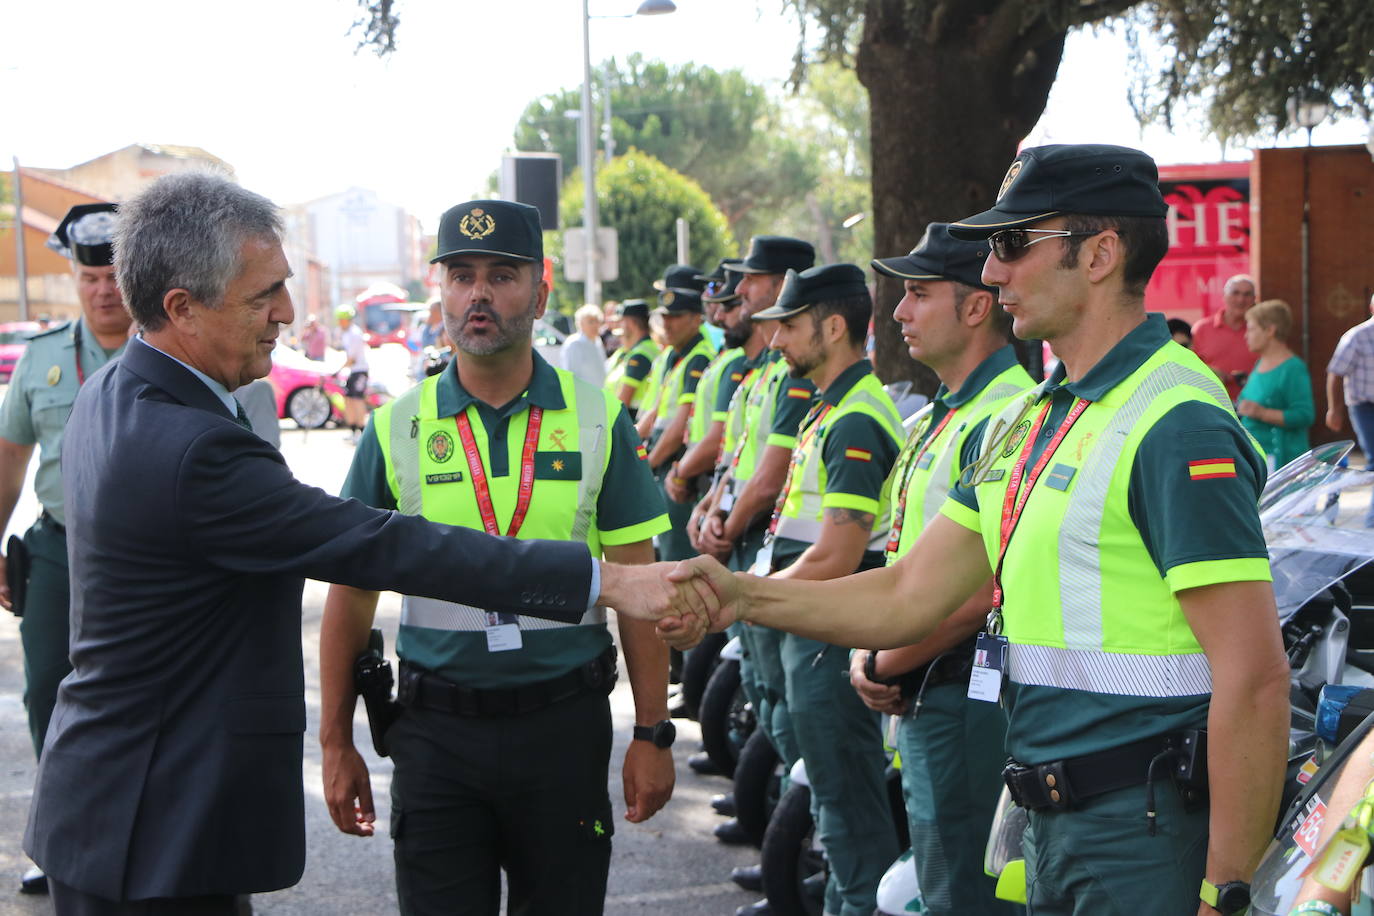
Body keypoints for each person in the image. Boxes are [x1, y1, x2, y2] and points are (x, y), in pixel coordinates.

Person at [22, 173, 704, 916]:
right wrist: (600, 581)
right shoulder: (194, 448)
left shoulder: (115, 392)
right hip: (155, 822)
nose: (287, 313)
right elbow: (379, 548)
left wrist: (650, 726)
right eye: (264, 295)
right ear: (182, 308)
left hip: (128, 806)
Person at [668, 144, 1290, 916]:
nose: (992, 274)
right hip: (1049, 817)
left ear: (1098, 255)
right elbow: (907, 591)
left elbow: (1256, 679)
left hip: (1142, 837)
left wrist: (1222, 893)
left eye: (1011, 245)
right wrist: (737, 595)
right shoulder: (1040, 416)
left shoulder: (1176, 420)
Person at [320, 199, 675, 916]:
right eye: (461, 275)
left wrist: (651, 732)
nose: (478, 293)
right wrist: (334, 742)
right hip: (434, 738)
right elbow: (349, 600)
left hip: (563, 733)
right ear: (440, 291)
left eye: (502, 275)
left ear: (541, 292)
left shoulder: (600, 418)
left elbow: (641, 590)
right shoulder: (395, 429)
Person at [855, 223, 1034, 915]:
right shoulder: (944, 410)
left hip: (961, 689)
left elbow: (985, 580)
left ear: (975, 307)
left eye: (918, 294)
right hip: (923, 678)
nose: (898, 312)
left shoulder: (1005, 413)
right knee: (938, 876)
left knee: (963, 890)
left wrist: (884, 662)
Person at [753, 263, 905, 916]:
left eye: (789, 325)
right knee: (833, 804)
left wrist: (748, 595)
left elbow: (840, 552)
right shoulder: (831, 408)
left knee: (848, 810)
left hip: (829, 631)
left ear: (834, 326)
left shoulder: (854, 420)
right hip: (814, 628)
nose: (777, 339)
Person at [0, 202, 133, 895]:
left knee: (147, 694)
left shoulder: (170, 347)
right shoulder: (44, 358)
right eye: (91, 279)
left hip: (147, 559)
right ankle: (59, 841)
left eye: (114, 276)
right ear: (75, 281)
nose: (104, 291)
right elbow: (10, 458)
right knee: (49, 689)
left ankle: (138, 833)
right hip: (59, 551)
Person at [641, 270, 717, 563]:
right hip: (662, 463)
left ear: (696, 318)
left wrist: (646, 467)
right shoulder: (677, 356)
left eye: (676, 316)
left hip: (675, 464)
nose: (666, 323)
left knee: (678, 558)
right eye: (664, 316)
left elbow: (679, 424)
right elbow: (658, 412)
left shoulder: (699, 356)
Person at [1236, 299, 1314, 471]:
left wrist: (1262, 413)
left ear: (1270, 330)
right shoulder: (1260, 363)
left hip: (1282, 463)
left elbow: (1304, 414)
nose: (1246, 335)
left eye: (1251, 329)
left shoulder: (1293, 368)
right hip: (1256, 457)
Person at [1325, 293, 1374, 511]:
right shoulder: (1357, 336)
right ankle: (1335, 486)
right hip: (1363, 406)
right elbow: (1335, 373)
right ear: (1372, 308)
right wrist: (1334, 409)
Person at [1192, 274, 1257, 401]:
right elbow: (1189, 368)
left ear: (1254, 299)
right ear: (1224, 297)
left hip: (1254, 409)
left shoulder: (1262, 330)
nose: (1240, 300)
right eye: (1235, 293)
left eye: (1247, 294)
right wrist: (1212, 373)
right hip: (1213, 405)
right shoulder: (1202, 329)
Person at [603, 299, 659, 420]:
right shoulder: (639, 349)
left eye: (621, 321)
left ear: (630, 323)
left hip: (631, 420)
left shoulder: (640, 354)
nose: (618, 326)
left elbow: (623, 399)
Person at [336, 303, 370, 442]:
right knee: (348, 400)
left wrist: (338, 370)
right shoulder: (346, 334)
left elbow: (352, 359)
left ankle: (362, 431)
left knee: (357, 400)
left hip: (360, 370)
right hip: (352, 371)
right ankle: (353, 429)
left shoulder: (355, 334)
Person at [561, 302, 608, 386]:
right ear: (581, 324)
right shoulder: (574, 343)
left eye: (597, 321)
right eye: (590, 322)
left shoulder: (598, 341)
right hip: (582, 396)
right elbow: (570, 374)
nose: (595, 325)